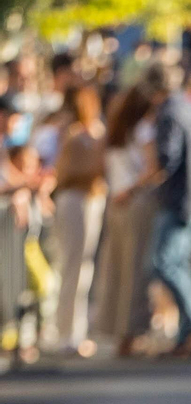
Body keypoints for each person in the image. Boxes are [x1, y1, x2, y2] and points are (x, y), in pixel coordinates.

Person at [148, 66, 191, 356]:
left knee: (165, 263)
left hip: (178, 198)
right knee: (178, 263)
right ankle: (189, 330)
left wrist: (148, 175)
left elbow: (167, 157)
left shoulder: (170, 113)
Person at [95, 84, 157, 357]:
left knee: (116, 268)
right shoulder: (143, 130)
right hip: (135, 201)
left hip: (116, 202)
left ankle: (117, 332)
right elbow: (151, 169)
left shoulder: (115, 131)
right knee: (134, 270)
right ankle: (131, 333)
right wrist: (131, 190)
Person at [49, 85, 106, 357]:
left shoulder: (92, 131)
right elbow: (65, 171)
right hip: (74, 200)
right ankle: (65, 333)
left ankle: (75, 331)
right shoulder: (70, 134)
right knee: (73, 267)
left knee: (83, 268)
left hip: (90, 201)